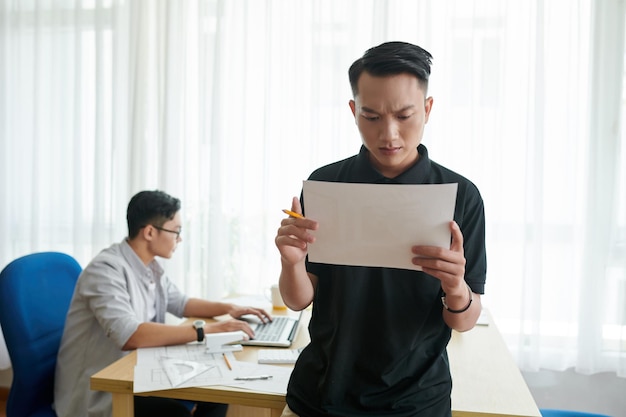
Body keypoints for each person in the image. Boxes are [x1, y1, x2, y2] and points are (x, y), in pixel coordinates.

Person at [274, 41, 486, 417]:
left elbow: (465, 320)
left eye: (405, 116)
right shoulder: (326, 185)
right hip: (320, 396)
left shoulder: (460, 196)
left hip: (414, 402)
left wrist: (456, 286)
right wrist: (292, 263)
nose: (389, 135)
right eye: (371, 117)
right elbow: (299, 300)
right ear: (354, 111)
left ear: (428, 109)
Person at [54, 190, 271, 417]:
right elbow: (130, 335)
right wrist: (206, 330)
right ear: (149, 232)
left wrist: (228, 309)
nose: (179, 239)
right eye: (176, 231)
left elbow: (182, 303)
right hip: (102, 389)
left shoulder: (150, 267)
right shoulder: (105, 270)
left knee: (221, 391)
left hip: (138, 371)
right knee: (175, 412)